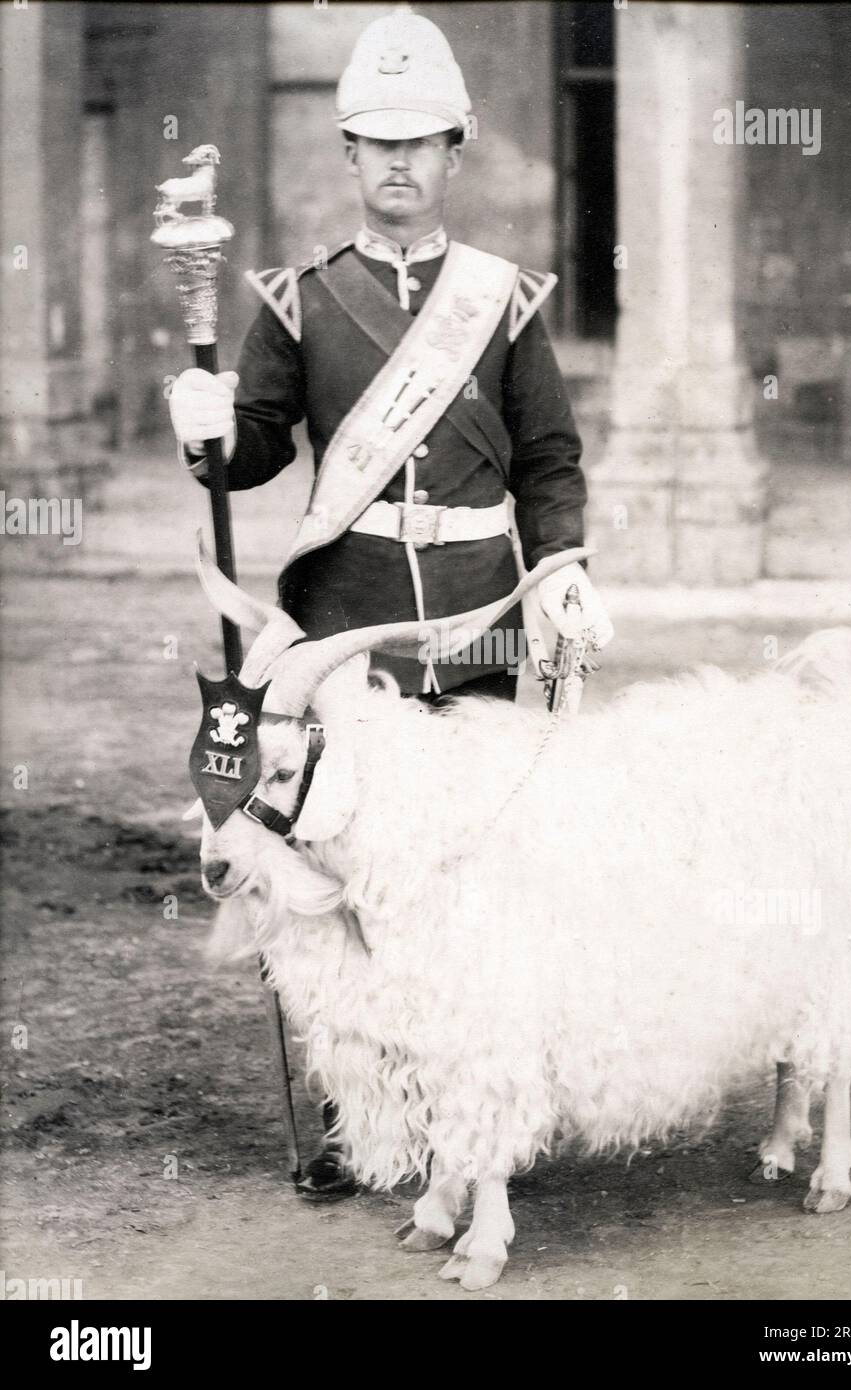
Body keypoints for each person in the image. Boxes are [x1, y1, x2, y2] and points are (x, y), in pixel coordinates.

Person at [168, 6, 613, 1195]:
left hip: (474, 617)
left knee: (466, 880)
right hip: (341, 631)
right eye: (378, 141)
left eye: (423, 142)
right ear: (349, 153)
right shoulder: (299, 301)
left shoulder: (503, 303)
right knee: (331, 879)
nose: (401, 163)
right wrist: (207, 429)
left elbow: (547, 461)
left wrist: (559, 567)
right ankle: (356, 1110)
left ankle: (474, 1118)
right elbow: (254, 453)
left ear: (453, 152)